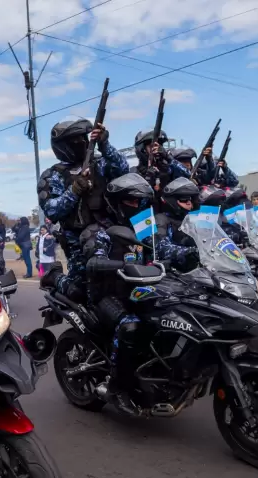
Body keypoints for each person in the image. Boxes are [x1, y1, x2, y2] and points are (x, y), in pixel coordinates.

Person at [85, 173, 155, 415]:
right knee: (131, 326)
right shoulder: (101, 231)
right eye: (132, 201)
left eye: (141, 201)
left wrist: (189, 254)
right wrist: (121, 266)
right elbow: (93, 262)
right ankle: (118, 387)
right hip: (107, 295)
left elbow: (162, 250)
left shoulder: (145, 228)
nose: (138, 206)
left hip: (140, 291)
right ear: (117, 202)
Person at [38, 118, 129, 301]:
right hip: (76, 242)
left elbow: (123, 171)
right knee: (81, 293)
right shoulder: (53, 175)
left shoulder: (100, 163)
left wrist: (104, 144)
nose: (81, 143)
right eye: (75, 140)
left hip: (111, 234)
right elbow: (52, 211)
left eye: (83, 138)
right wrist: (75, 190)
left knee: (125, 284)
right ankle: (55, 277)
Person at [131, 129, 190, 204]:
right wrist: (149, 181)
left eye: (159, 146)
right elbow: (137, 205)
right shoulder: (135, 174)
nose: (157, 150)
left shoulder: (168, 169)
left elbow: (187, 175)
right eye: (152, 146)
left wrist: (168, 157)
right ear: (142, 150)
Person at [154, 178, 201, 271]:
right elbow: (161, 246)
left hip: (196, 269)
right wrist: (188, 252)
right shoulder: (161, 219)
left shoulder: (193, 220)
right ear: (172, 200)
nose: (189, 202)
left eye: (190, 199)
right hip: (171, 273)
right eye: (184, 199)